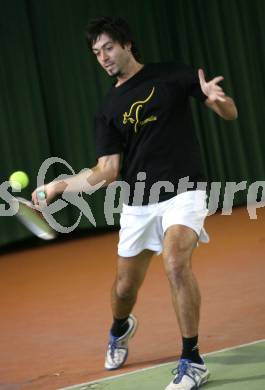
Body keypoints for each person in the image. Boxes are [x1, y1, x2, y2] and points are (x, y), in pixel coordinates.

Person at [32, 16, 237, 390]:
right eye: (96, 53)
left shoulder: (172, 75)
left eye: (108, 47)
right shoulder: (107, 108)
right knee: (125, 289)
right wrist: (60, 185)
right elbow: (107, 171)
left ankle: (192, 360)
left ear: (126, 44)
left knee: (175, 262)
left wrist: (218, 102)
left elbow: (229, 112)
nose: (103, 57)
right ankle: (120, 326)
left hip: (185, 190)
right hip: (139, 203)